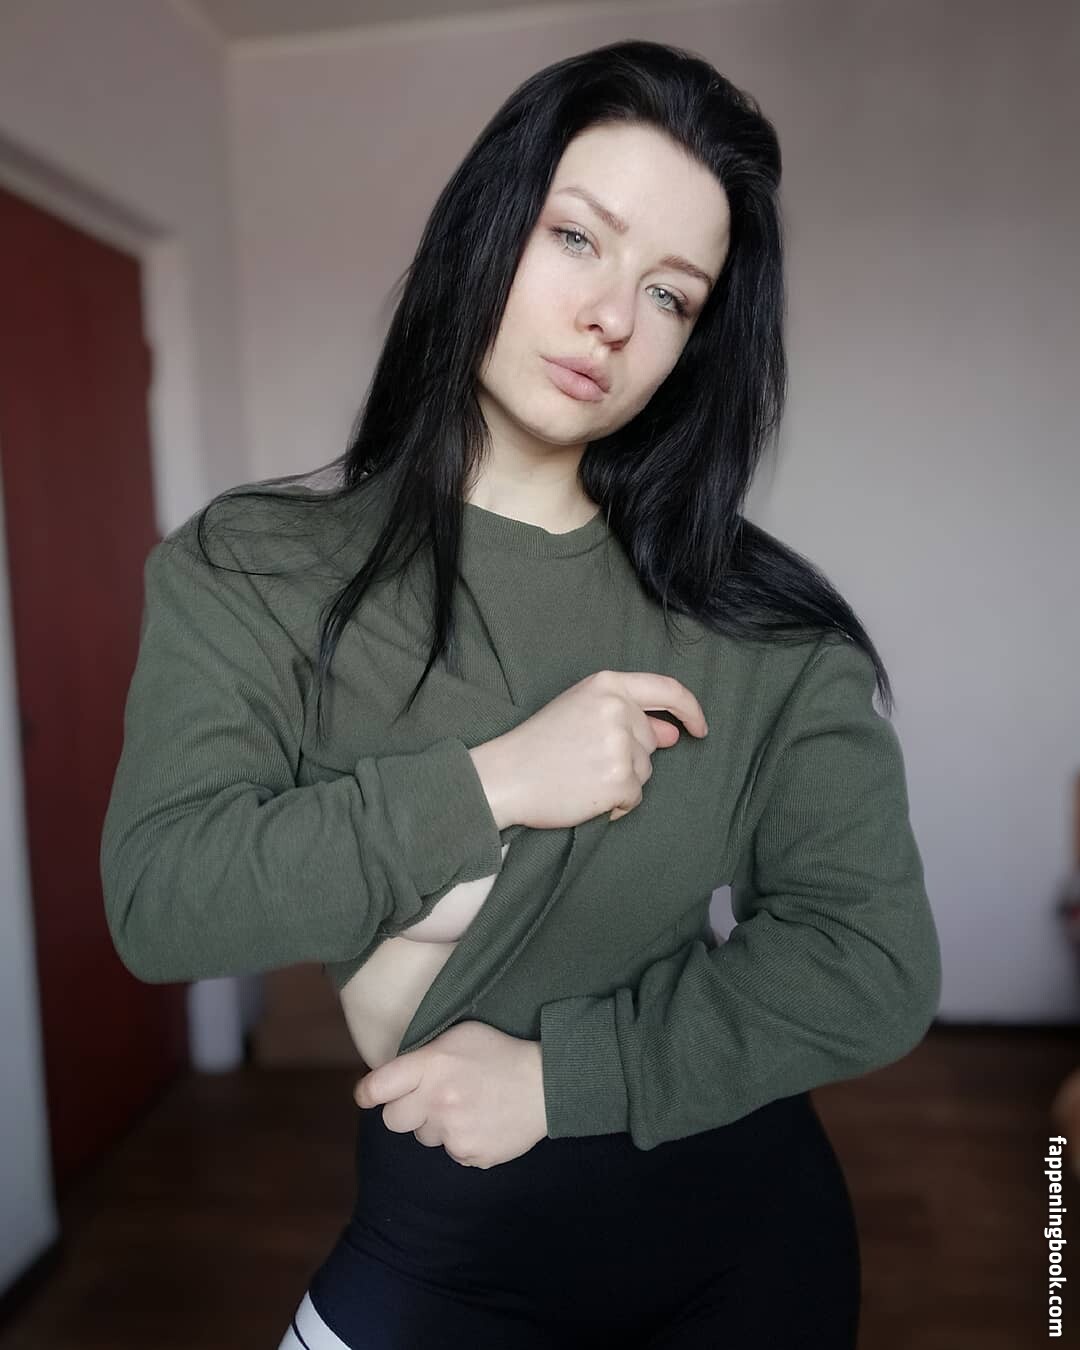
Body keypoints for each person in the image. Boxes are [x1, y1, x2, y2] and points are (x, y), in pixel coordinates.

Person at [100, 39, 942, 1350]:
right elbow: (164, 900)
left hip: (744, 1251)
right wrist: (493, 784)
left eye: (671, 294)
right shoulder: (256, 568)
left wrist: (558, 1078)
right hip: (442, 1255)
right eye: (578, 238)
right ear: (487, 226)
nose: (614, 316)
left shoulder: (757, 620)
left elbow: (870, 962)